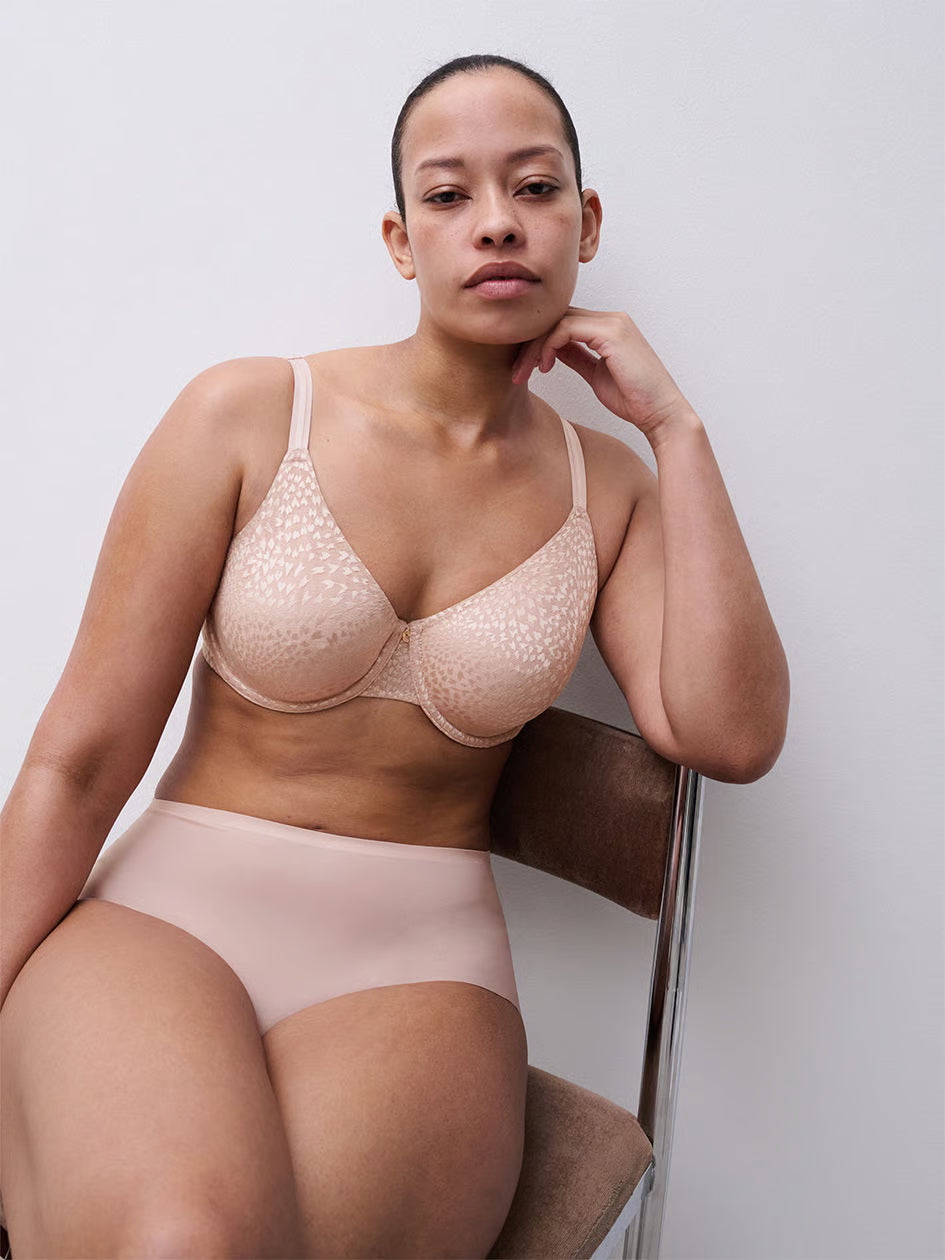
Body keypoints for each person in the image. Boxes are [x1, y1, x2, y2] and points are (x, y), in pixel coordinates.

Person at [0, 52, 790, 1260]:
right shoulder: (246, 416)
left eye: (534, 188)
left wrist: (676, 429)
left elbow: (729, 735)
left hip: (419, 969)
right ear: (399, 238)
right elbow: (79, 762)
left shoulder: (612, 490)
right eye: (449, 194)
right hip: (166, 920)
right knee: (183, 1241)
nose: (496, 223)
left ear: (585, 223)